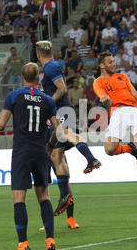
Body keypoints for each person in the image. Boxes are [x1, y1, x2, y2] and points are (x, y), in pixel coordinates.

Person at [0, 63, 59, 250]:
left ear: (22, 77)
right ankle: (50, 241)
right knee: (44, 196)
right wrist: (50, 145)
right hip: (40, 151)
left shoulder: (14, 97)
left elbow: (0, 125)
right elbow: (59, 130)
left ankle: (23, 244)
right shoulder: (48, 100)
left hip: (22, 152)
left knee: (19, 199)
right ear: (38, 78)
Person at [36, 40, 101, 228]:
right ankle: (69, 212)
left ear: (39, 54)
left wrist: (48, 102)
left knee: (61, 145)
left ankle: (90, 159)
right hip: (60, 112)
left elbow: (62, 89)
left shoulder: (50, 67)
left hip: (61, 111)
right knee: (57, 155)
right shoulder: (52, 67)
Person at [93, 51, 137, 191]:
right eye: (110, 62)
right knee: (109, 150)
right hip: (116, 112)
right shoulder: (98, 82)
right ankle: (130, 148)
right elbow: (103, 97)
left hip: (132, 110)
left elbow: (135, 94)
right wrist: (105, 100)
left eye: (114, 61)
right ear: (102, 65)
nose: (113, 64)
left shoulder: (122, 77)